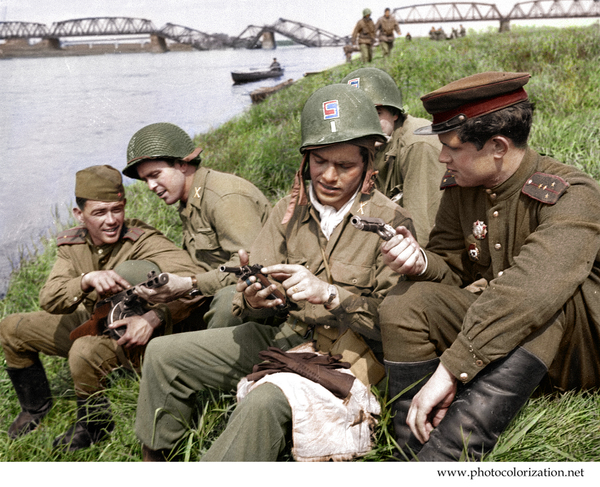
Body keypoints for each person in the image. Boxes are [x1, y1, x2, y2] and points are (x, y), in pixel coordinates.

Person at [135, 83, 414, 462]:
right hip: (285, 334)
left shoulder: (390, 222)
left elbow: (395, 325)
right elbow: (247, 298)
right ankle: (159, 458)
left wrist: (332, 295)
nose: (329, 176)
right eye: (319, 163)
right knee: (163, 355)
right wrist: (254, 299)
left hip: (348, 353)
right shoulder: (287, 212)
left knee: (265, 401)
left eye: (345, 166)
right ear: (305, 161)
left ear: (368, 164)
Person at [378, 71, 600, 461]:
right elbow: (452, 269)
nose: (442, 157)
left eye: (451, 147)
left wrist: (451, 370)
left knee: (541, 301)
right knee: (404, 303)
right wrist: (421, 261)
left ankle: (447, 458)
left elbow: (530, 294)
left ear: (497, 146)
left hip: (579, 355)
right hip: (511, 354)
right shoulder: (463, 187)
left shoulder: (572, 195)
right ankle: (412, 447)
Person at [0, 165, 205, 451]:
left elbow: (194, 283)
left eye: (117, 210)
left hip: (137, 331)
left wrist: (155, 316)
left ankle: (94, 423)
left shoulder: (143, 241)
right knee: (11, 328)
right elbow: (50, 298)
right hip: (96, 319)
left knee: (82, 351)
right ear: (79, 215)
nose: (111, 221)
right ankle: (35, 408)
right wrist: (86, 280)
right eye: (99, 213)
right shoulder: (73, 244)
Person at [123, 122, 271, 328]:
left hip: (258, 297)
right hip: (214, 285)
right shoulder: (190, 196)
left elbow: (251, 267)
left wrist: (189, 284)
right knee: (134, 272)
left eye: (155, 175)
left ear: (182, 164)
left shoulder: (224, 198)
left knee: (225, 303)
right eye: (145, 180)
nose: (150, 186)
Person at [341, 67, 445, 246]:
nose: (367, 125)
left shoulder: (418, 144)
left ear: (395, 113)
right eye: (357, 117)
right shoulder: (371, 145)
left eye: (376, 113)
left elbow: (422, 229)